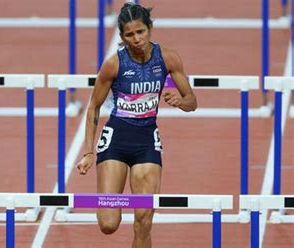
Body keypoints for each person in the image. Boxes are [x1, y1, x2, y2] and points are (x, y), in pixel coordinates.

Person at [76, 3, 197, 248]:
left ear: (149, 29)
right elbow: (93, 108)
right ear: (122, 37)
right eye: (130, 34)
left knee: (144, 221)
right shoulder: (113, 64)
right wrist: (89, 151)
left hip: (146, 143)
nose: (137, 38)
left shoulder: (168, 58)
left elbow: (192, 101)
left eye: (140, 32)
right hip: (116, 140)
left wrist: (180, 102)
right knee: (108, 224)